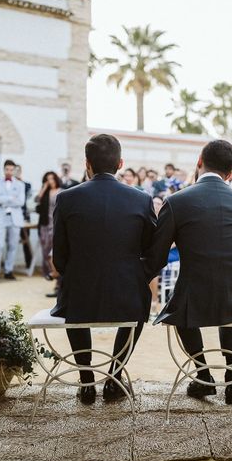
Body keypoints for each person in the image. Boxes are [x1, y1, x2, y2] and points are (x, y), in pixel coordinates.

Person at [144, 140, 232, 405]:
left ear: (199, 161)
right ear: (230, 173)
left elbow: (156, 256)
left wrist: (136, 277)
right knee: (230, 300)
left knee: (175, 309)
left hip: (194, 293)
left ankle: (203, 374)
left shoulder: (176, 201)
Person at [52, 134, 155, 404]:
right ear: (120, 163)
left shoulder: (66, 199)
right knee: (138, 310)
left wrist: (77, 273)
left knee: (74, 304)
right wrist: (137, 276)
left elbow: (59, 257)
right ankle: (114, 375)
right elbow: (152, 250)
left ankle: (87, 381)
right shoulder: (141, 200)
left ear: (87, 164)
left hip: (79, 294)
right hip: (127, 294)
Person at [0, 160, 26, 281]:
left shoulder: (21, 185)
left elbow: (21, 202)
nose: (9, 172)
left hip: (15, 218)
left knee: (13, 245)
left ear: (14, 170)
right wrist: (10, 198)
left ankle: (8, 270)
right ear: (3, 169)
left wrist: (3, 200)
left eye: (11, 170)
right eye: (7, 169)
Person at [36, 171, 62, 281]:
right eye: (48, 179)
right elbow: (36, 200)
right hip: (45, 222)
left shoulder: (62, 191)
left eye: (52, 178)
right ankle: (47, 271)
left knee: (55, 249)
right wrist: (44, 187)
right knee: (45, 248)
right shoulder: (45, 192)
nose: (50, 181)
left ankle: (56, 271)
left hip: (56, 223)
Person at [14, 164, 32, 268]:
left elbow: (28, 197)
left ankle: (29, 263)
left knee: (26, 240)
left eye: (18, 171)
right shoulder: (10, 184)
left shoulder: (26, 184)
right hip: (12, 215)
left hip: (24, 214)